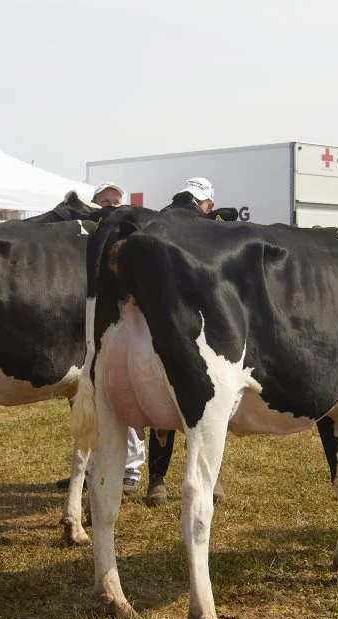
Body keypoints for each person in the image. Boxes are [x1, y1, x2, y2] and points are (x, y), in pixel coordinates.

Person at [55, 181, 146, 495]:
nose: (108, 205)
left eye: (114, 200)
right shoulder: (84, 236)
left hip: (118, 327)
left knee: (124, 397)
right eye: (103, 200)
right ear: (93, 203)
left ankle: (131, 470)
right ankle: (86, 469)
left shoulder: (129, 236)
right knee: (86, 400)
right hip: (87, 326)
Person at [144, 177, 225, 507]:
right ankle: (210, 477)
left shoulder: (155, 221)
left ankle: (157, 482)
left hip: (159, 322)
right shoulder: (207, 226)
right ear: (205, 202)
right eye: (210, 204)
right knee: (208, 400)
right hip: (200, 325)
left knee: (162, 399)